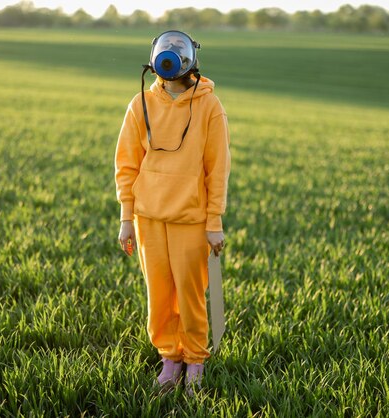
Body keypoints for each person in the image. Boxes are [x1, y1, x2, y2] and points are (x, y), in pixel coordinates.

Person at [114, 30, 231, 396]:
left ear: (192, 59)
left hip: (192, 220)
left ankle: (195, 360)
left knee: (191, 296)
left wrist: (214, 223)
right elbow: (127, 165)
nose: (170, 55)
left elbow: (218, 169)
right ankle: (170, 358)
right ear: (153, 59)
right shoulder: (140, 104)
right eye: (165, 49)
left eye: (178, 50)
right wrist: (126, 219)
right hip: (149, 218)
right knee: (160, 294)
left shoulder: (210, 107)